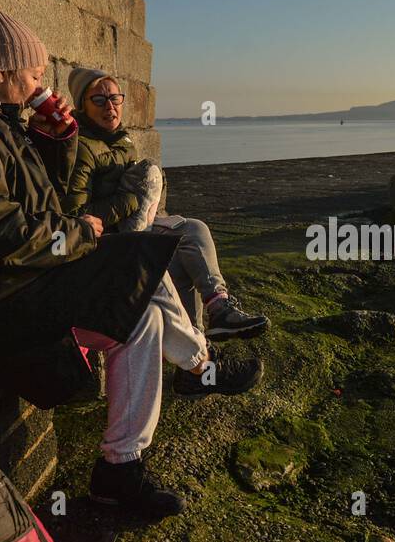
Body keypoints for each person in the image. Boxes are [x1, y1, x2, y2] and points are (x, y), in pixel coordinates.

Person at [0, 0, 262, 519]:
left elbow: (27, 206)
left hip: (0, 285)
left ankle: (124, 464)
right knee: (134, 279)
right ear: (4, 70)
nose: (40, 85)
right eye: (33, 73)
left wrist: (51, 144)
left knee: (138, 289)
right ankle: (183, 387)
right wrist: (81, 233)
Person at [64, 67, 270, 340]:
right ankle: (198, 357)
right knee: (176, 256)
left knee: (194, 230)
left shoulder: (121, 141)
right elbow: (77, 214)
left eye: (115, 98)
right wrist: (131, 200)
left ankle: (219, 308)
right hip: (109, 241)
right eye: (99, 100)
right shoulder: (81, 148)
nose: (110, 107)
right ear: (83, 105)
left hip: (135, 226)